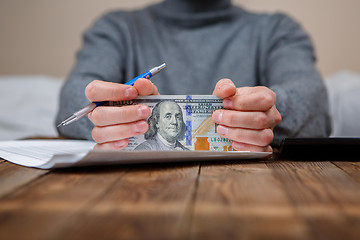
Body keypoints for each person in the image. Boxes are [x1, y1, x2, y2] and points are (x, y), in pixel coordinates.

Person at [56, 0, 331, 152]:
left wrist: (265, 111)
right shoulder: (117, 28)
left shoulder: (276, 29)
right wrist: (114, 117)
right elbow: (73, 98)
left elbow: (313, 100)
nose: (176, 121)